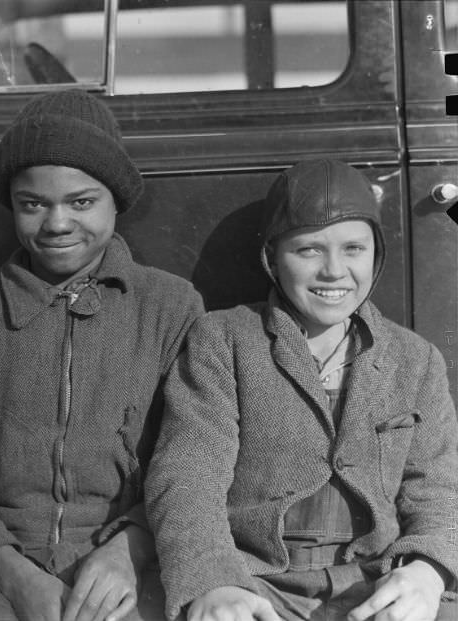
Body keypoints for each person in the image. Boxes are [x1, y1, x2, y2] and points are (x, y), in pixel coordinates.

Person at [0, 89, 204, 621]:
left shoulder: (171, 306)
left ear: (116, 200)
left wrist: (127, 552)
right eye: (33, 204)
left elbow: (186, 467)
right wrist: (16, 576)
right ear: (12, 204)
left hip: (127, 561)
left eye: (81, 202)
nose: (56, 224)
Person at [146, 159, 458, 621]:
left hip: (381, 580)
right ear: (272, 257)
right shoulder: (223, 341)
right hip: (254, 582)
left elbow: (438, 489)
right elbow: (188, 478)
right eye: (309, 250)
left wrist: (427, 572)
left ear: (377, 255)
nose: (334, 271)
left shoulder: (416, 359)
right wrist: (213, 582)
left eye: (354, 248)